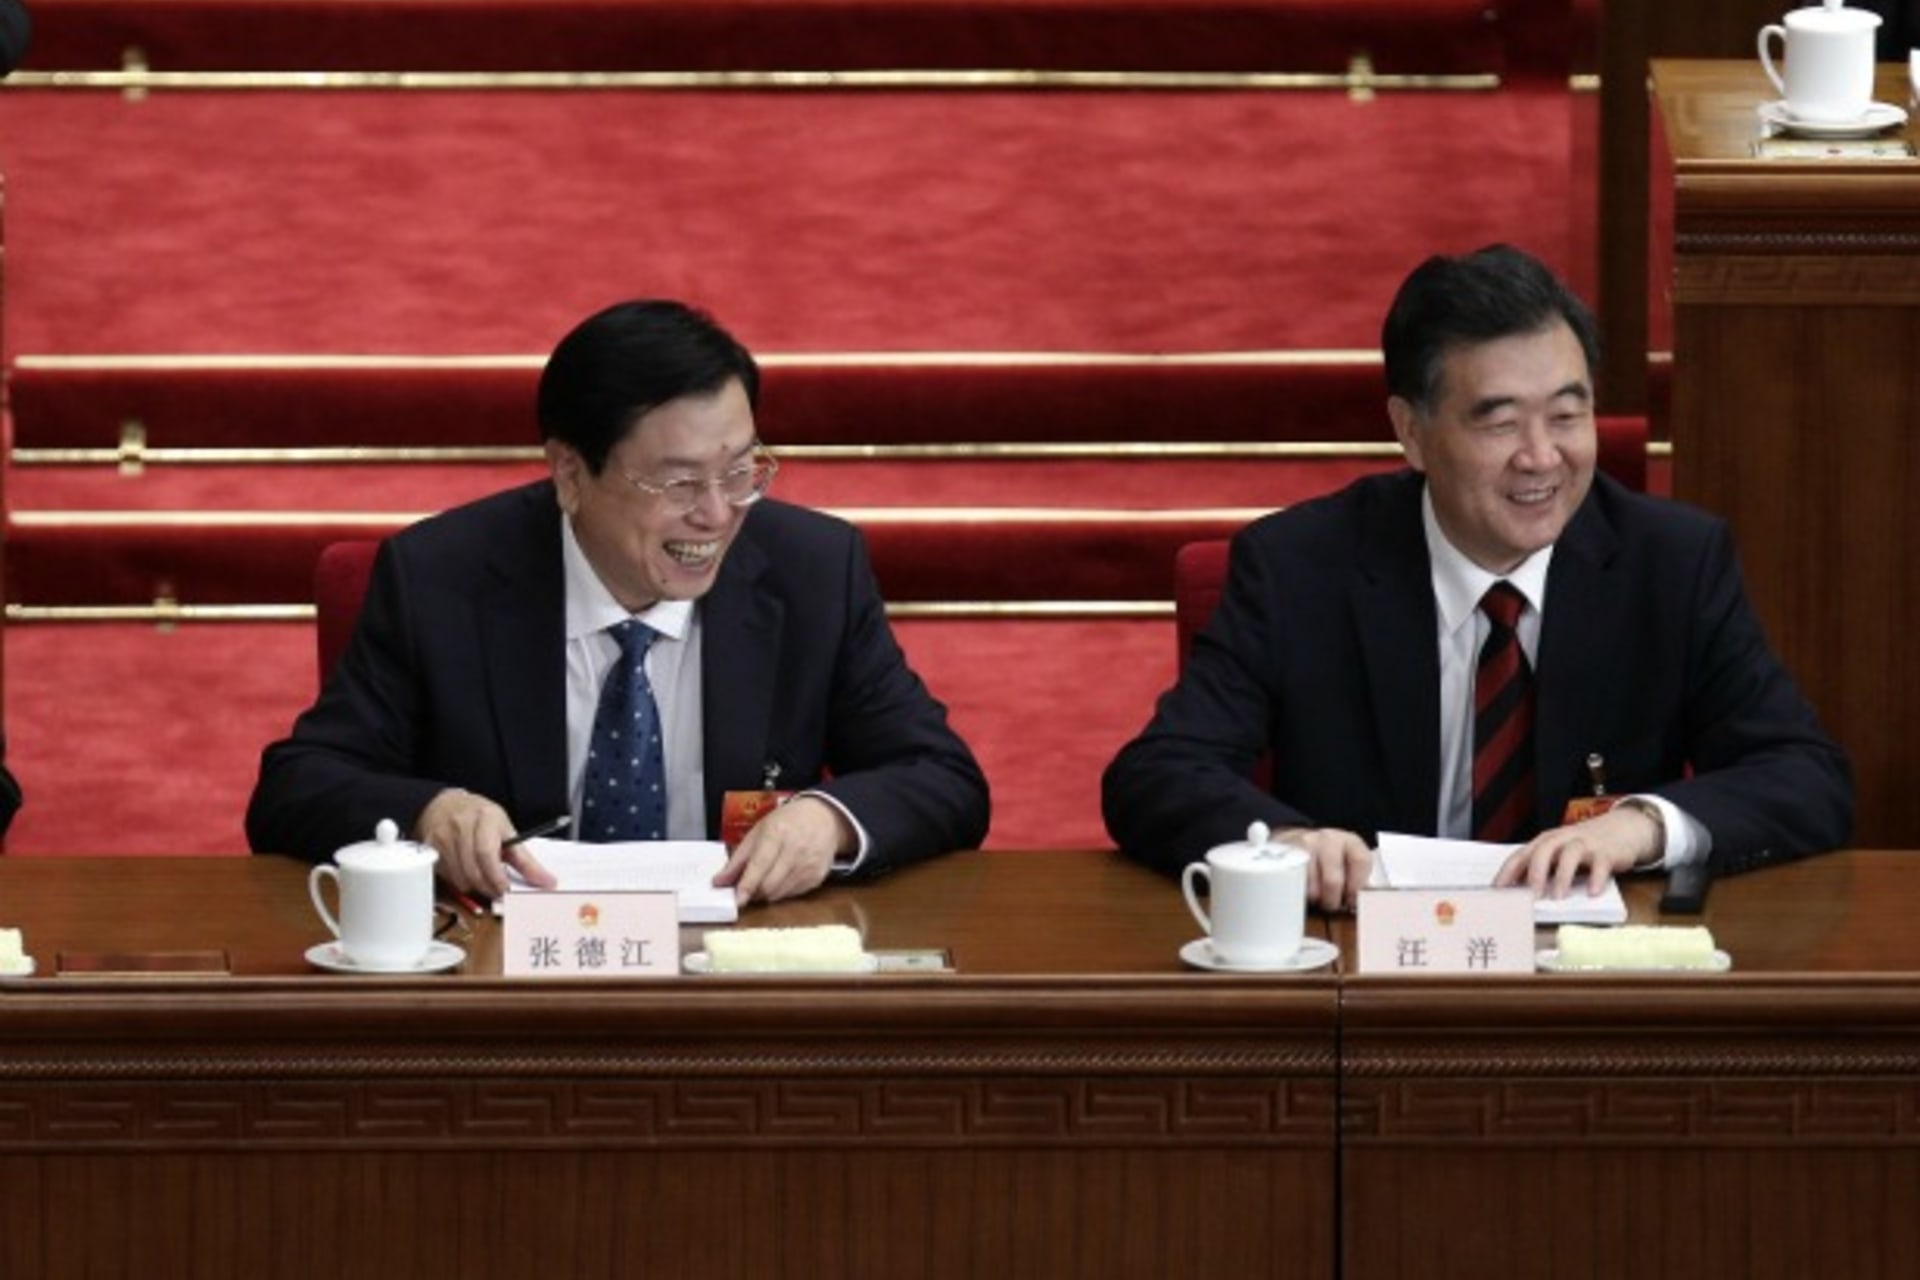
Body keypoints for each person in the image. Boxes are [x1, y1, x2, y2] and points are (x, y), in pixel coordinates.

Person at [1104, 244, 1851, 910]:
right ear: (1411, 431)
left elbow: (1804, 775)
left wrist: (1644, 826)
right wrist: (1284, 845)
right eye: (1498, 422)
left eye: (1567, 414)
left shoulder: (1674, 564)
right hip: (1365, 978)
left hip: (1592, 990)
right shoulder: (1300, 566)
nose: (1540, 456)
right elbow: (1157, 773)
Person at [248, 300, 990, 903]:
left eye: (741, 471)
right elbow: (297, 785)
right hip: (506, 984)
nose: (718, 514)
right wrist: (426, 813)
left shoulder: (812, 572)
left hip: (730, 983)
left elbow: (942, 776)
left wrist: (829, 820)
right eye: (677, 484)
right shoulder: (440, 579)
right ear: (569, 475)